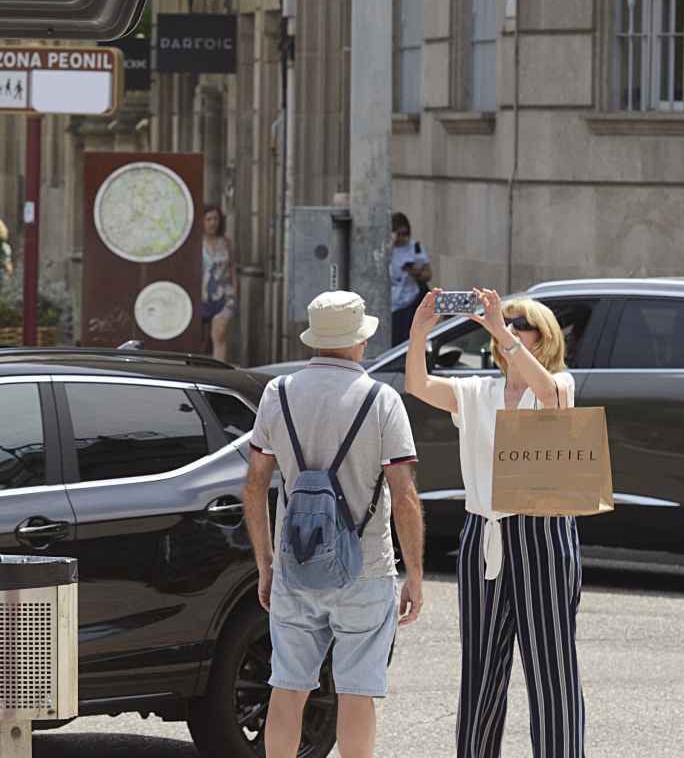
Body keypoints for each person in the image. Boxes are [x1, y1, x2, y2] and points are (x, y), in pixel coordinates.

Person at [404, 288, 585, 758]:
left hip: (542, 531)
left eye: (520, 323)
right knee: (481, 668)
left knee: (551, 665)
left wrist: (500, 331)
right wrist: (419, 332)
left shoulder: (561, 383)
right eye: (506, 322)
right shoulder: (479, 389)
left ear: (542, 337)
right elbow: (419, 386)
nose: (507, 327)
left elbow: (547, 394)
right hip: (483, 533)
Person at [242, 290, 424, 758]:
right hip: (365, 568)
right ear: (359, 342)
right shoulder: (382, 401)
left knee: (287, 687)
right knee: (357, 690)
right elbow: (404, 497)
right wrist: (415, 575)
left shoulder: (277, 393)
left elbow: (255, 486)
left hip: (295, 565)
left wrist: (265, 564)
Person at [201, 205, 238, 360]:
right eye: (208, 219)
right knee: (201, 339)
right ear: (202, 221)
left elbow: (233, 268)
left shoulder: (226, 242)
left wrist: (235, 292)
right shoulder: (196, 242)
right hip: (200, 296)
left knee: (220, 333)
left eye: (215, 219)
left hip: (224, 295)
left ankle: (218, 369)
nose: (212, 223)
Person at [389, 212, 432, 345]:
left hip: (411, 298)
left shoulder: (415, 247)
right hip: (391, 300)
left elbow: (428, 273)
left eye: (405, 234)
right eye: (399, 234)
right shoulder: (387, 248)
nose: (403, 238)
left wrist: (415, 272)